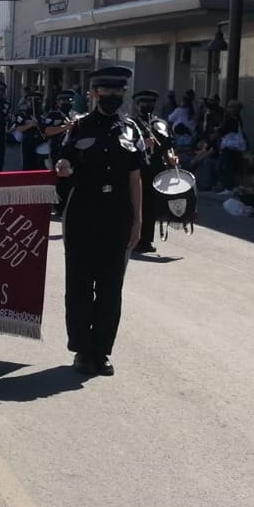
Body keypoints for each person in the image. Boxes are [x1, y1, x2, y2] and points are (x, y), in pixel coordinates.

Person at [56, 65, 143, 377]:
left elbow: (135, 178)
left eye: (118, 90)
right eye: (106, 90)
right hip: (83, 213)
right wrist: (63, 166)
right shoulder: (78, 128)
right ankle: (82, 350)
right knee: (79, 285)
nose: (112, 95)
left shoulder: (131, 130)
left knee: (110, 287)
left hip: (117, 215)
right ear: (93, 93)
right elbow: (64, 160)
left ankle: (101, 350)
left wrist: (138, 221)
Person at [130, 89, 178, 250]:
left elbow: (168, 146)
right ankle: (132, 239)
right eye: (143, 103)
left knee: (151, 205)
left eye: (150, 103)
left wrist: (171, 157)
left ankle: (146, 241)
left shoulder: (161, 124)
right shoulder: (130, 124)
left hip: (155, 169)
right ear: (137, 105)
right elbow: (124, 146)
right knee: (136, 204)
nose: (146, 106)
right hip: (136, 169)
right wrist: (141, 144)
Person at [42, 90, 78, 217]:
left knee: (72, 180)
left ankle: (69, 205)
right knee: (60, 179)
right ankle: (59, 207)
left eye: (69, 100)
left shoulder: (75, 116)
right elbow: (47, 131)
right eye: (64, 100)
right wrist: (65, 127)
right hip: (57, 151)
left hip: (73, 152)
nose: (67, 103)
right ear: (58, 102)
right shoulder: (53, 115)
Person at [14, 91, 48, 171]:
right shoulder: (23, 115)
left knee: (40, 166)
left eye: (37, 101)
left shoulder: (44, 115)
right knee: (27, 166)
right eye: (31, 101)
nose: (34, 103)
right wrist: (30, 125)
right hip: (28, 142)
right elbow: (18, 128)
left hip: (41, 142)